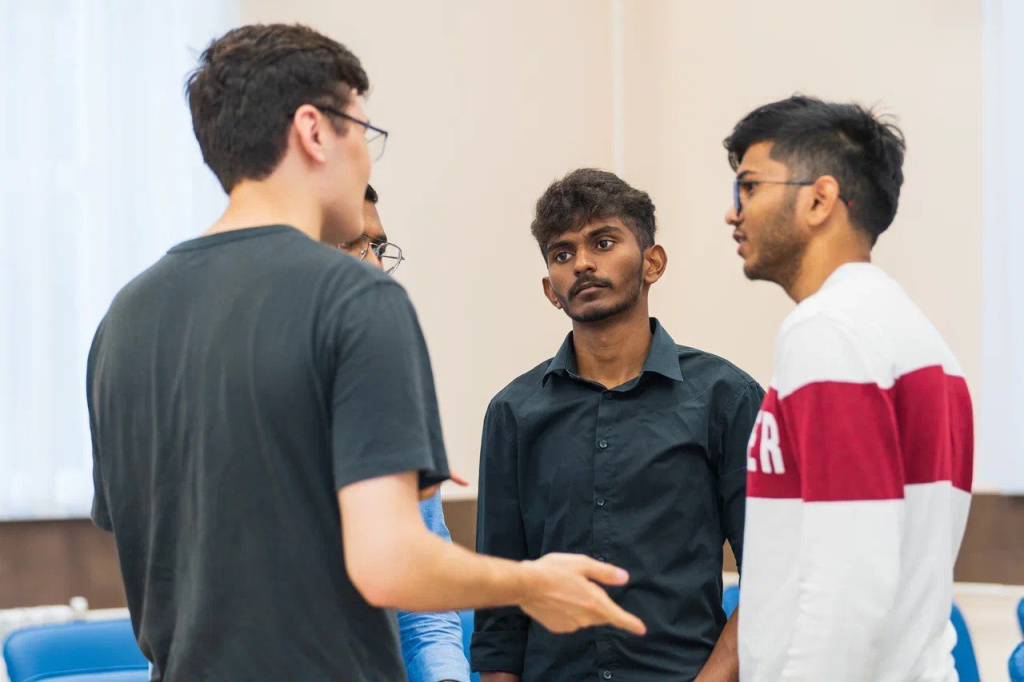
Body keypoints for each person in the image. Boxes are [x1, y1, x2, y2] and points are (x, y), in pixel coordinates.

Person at [86, 24, 644, 682]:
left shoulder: (124, 318)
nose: (367, 161)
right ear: (314, 131)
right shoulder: (356, 299)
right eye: (363, 132)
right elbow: (391, 565)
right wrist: (531, 583)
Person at [472, 169, 764, 682]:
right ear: (550, 289)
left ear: (653, 262)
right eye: (562, 253)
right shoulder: (512, 413)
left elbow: (770, 576)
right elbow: (501, 609)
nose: (582, 263)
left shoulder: (726, 398)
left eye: (603, 243)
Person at [722, 96, 974, 681]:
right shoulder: (921, 340)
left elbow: (849, 583)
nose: (733, 213)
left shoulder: (828, 330)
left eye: (749, 187)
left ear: (819, 199)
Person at [338, 184, 470, 682]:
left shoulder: (386, 394)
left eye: (377, 246)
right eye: (352, 244)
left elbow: (425, 608)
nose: (374, 265)